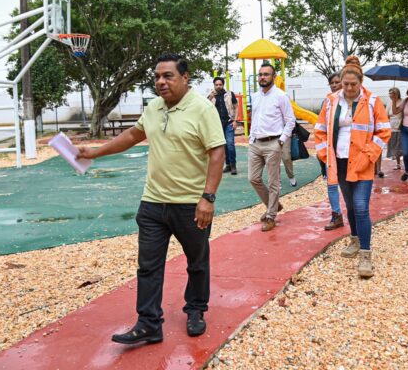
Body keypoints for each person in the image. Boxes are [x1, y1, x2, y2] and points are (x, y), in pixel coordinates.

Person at [77, 54, 226, 345]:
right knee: (148, 266)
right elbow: (133, 135)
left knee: (197, 261)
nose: (160, 82)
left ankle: (195, 309)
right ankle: (148, 323)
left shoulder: (202, 109)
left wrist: (207, 197)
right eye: (157, 76)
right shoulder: (154, 107)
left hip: (190, 203)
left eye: (168, 76)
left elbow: (217, 152)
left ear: (185, 78)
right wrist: (94, 152)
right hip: (153, 202)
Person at [314, 56, 391, 278]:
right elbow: (320, 130)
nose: (348, 88)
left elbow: (384, 131)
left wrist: (369, 155)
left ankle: (365, 254)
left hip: (362, 161)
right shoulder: (331, 101)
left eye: (353, 84)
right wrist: (324, 154)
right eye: (345, 84)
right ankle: (355, 240)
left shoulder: (373, 101)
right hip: (338, 160)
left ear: (361, 82)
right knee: (349, 204)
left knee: (361, 206)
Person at [247, 62, 296, 232]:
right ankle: (273, 204)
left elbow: (290, 120)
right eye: (260, 74)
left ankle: (271, 216)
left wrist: (281, 141)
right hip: (255, 143)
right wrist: (251, 138)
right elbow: (255, 118)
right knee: (253, 178)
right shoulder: (255, 96)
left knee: (273, 181)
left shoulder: (281, 96)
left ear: (274, 77)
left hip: (273, 143)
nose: (262, 77)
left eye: (266, 74)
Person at [322, 73, 344, 230]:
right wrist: (322, 150)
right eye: (332, 83)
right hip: (331, 150)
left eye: (337, 82)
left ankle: (356, 215)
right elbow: (321, 126)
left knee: (349, 185)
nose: (335, 85)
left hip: (347, 150)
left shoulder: (350, 101)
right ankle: (336, 215)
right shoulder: (327, 102)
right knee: (331, 184)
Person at [207, 76, 238, 175]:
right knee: (223, 145)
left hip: (229, 122)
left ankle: (233, 165)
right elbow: (205, 107)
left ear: (223, 85)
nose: (218, 86)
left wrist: (235, 121)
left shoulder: (229, 94)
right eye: (216, 85)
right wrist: (210, 97)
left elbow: (236, 107)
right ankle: (228, 165)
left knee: (230, 144)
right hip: (217, 124)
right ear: (214, 85)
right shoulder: (211, 96)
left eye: (220, 84)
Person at [386, 87, 403, 170]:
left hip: (400, 125)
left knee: (400, 145)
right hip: (391, 126)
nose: (391, 95)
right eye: (390, 93)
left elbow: (403, 114)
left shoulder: (402, 101)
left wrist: (401, 124)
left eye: (393, 93)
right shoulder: (389, 102)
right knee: (394, 145)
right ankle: (398, 163)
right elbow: (387, 115)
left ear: (397, 94)